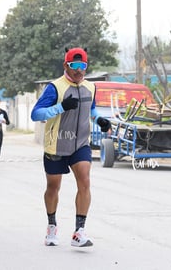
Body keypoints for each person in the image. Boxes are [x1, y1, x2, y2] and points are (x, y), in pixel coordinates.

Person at [31, 47, 111, 247]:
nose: (79, 70)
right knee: (53, 187)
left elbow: (91, 109)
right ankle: (51, 226)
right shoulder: (54, 88)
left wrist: (100, 119)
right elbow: (36, 114)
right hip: (56, 145)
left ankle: (79, 231)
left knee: (84, 180)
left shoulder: (91, 87)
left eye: (82, 66)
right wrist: (61, 107)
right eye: (74, 65)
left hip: (80, 144)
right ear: (66, 65)